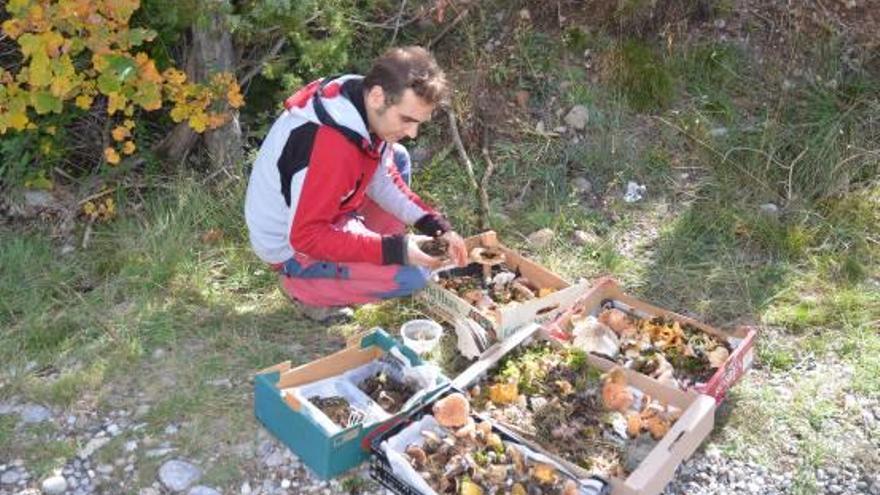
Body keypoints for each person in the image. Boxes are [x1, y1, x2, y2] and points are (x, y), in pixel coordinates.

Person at [244, 46, 468, 322]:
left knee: (397, 157)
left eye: (419, 123)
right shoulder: (330, 145)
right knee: (413, 276)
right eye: (407, 120)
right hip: (292, 249)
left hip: (327, 212)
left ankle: (362, 258)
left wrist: (435, 224)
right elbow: (307, 236)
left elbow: (384, 179)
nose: (412, 132)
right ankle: (301, 287)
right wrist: (395, 251)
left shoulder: (359, 98)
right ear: (377, 96)